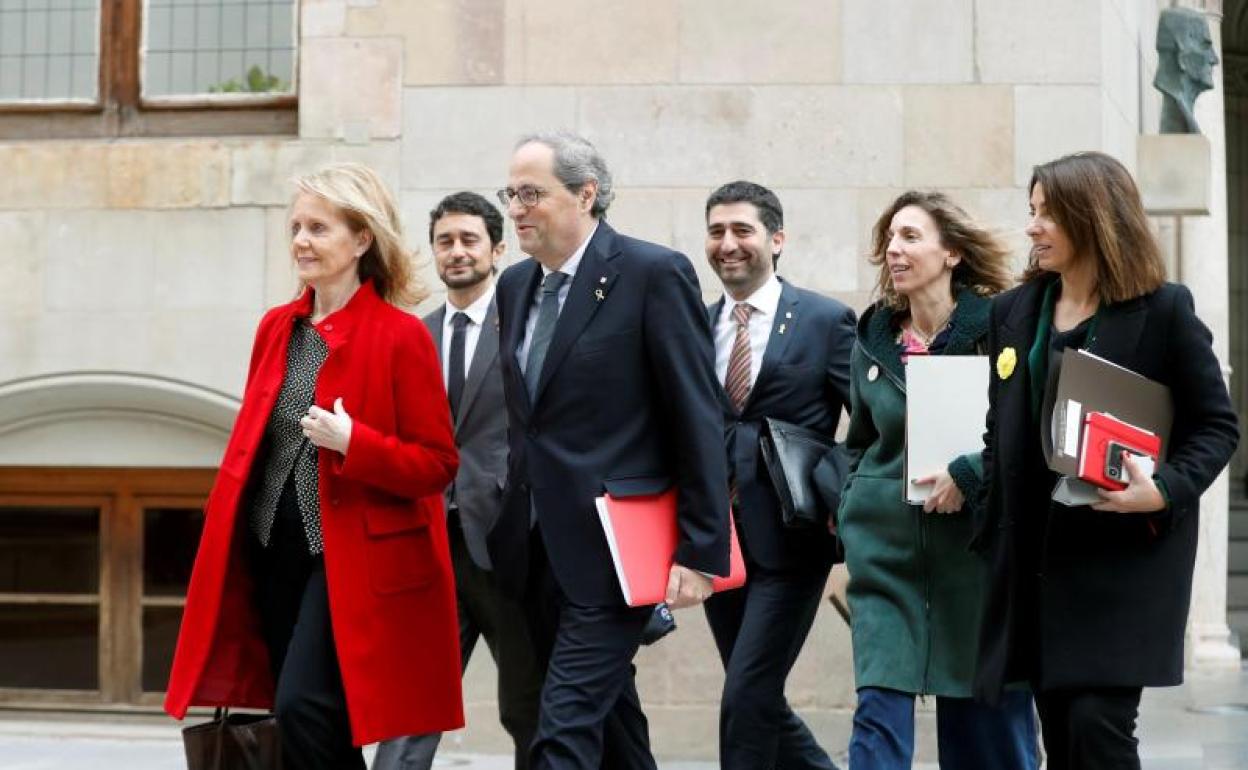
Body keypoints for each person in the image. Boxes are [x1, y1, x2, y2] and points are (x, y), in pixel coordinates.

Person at [164, 163, 462, 767]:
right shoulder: (278, 328)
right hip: (272, 548)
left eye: (319, 228)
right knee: (302, 720)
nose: (301, 240)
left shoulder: (401, 337)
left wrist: (358, 444)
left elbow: (437, 464)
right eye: (296, 226)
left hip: (351, 558)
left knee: (304, 706)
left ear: (361, 240)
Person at [972, 152, 1240, 769]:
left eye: (1049, 214)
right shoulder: (1014, 311)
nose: (1033, 227)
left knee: (1098, 729)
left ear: (1094, 217)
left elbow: (1216, 426)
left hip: (1120, 566)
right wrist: (990, 516)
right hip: (1034, 562)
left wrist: (1165, 488)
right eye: (1031, 212)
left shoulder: (1163, 309)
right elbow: (998, 426)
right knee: (1062, 737)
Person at [487, 131, 731, 770]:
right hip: (536, 549)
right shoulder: (514, 287)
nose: (516, 208)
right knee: (614, 729)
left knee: (561, 731)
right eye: (510, 193)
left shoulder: (652, 273)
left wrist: (702, 548)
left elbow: (697, 415)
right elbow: (528, 424)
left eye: (532, 193)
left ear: (586, 194)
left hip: (615, 553)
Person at [838, 190, 1038, 769]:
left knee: (986, 733)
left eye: (910, 237)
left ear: (951, 252)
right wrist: (855, 508)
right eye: (889, 240)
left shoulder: (999, 327)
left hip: (974, 562)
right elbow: (860, 443)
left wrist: (969, 474)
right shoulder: (872, 337)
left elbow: (1024, 432)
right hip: (885, 560)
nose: (893, 252)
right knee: (877, 718)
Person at [374, 192, 544, 770]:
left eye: (469, 239)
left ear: (497, 249)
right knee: (413, 704)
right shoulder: (414, 336)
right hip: (426, 546)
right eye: (445, 241)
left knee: (527, 706)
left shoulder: (526, 324)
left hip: (503, 543)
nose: (456, 251)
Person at [700, 180, 853, 770]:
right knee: (757, 699)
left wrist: (842, 492)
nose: (728, 244)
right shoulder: (695, 321)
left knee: (746, 696)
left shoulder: (824, 319)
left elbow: (864, 425)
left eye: (742, 230)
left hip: (791, 541)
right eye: (716, 231)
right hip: (718, 543)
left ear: (777, 239)